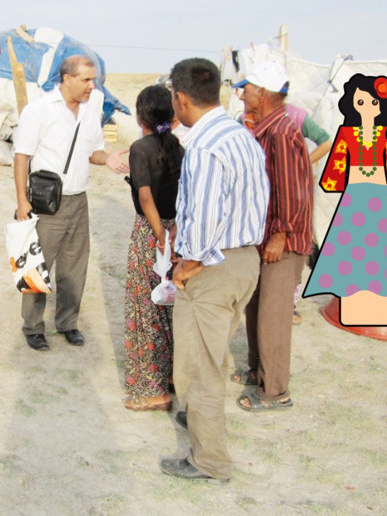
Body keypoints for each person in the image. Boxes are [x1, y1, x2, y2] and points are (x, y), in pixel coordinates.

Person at [159, 58, 268, 483]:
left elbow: (204, 217)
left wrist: (189, 265)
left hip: (213, 265)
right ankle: (200, 418)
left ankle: (209, 461)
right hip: (244, 260)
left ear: (180, 98)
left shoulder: (204, 146)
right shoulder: (240, 135)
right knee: (215, 352)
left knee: (199, 366)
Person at [13, 55, 129, 351]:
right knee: (37, 267)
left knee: (74, 266)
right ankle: (33, 327)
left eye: (94, 80)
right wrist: (22, 200)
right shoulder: (38, 110)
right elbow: (21, 156)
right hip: (46, 202)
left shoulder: (93, 109)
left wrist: (110, 158)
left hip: (79, 198)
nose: (92, 86)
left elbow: (95, 153)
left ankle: (67, 323)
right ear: (66, 78)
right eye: (86, 80)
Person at [303, 74, 387, 323]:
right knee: (352, 251)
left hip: (379, 199)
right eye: (361, 103)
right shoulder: (347, 136)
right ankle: (354, 305)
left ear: (381, 106)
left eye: (372, 103)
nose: (366, 108)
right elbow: (333, 173)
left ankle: (379, 307)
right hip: (355, 199)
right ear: (353, 105)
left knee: (382, 252)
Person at [230, 62, 313, 412]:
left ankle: (275, 392)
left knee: (273, 316)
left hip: (283, 238)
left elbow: (293, 191)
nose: (242, 93)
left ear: (262, 93)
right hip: (265, 236)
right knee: (257, 306)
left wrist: (281, 233)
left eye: (246, 88)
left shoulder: (281, 131)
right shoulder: (266, 128)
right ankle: (257, 370)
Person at [122, 85, 183, 412]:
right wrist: (172, 232)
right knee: (171, 305)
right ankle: (173, 375)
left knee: (145, 310)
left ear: (141, 114)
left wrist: (159, 232)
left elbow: (145, 196)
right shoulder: (177, 146)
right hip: (178, 232)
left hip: (151, 233)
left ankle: (151, 390)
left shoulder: (139, 148)